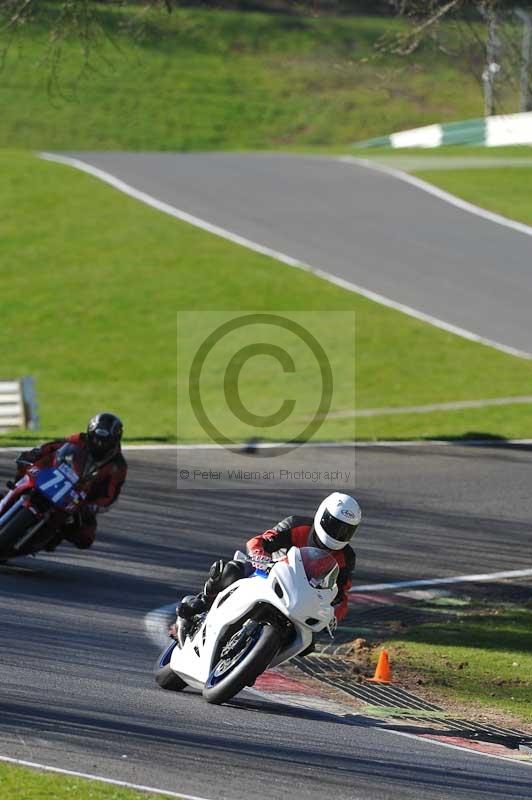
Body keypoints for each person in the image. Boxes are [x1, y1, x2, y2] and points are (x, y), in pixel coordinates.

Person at [172, 492, 362, 645]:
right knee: (232, 570)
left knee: (308, 643)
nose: (338, 534)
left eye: (346, 530)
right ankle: (200, 604)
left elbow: (341, 594)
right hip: (268, 574)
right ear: (322, 515)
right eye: (334, 525)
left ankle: (255, 662)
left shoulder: (346, 557)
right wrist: (260, 556)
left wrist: (333, 616)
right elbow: (259, 541)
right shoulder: (297, 525)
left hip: (301, 599)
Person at [11, 412, 127, 550]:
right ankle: (11, 495)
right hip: (58, 478)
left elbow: (110, 495)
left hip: (82, 500)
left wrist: (92, 506)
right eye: (95, 439)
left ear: (115, 441)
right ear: (90, 434)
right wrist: (35, 454)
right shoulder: (79, 439)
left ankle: (53, 535)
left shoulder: (117, 466)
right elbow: (55, 447)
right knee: (25, 467)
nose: (99, 444)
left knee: (85, 538)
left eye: (104, 442)